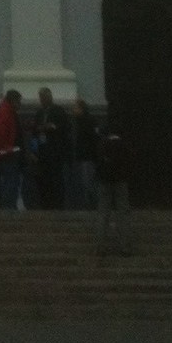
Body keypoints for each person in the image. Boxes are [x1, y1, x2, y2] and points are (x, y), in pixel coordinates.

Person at [96, 118, 132, 257]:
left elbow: (98, 162)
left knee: (103, 213)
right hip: (121, 181)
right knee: (123, 213)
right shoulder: (124, 144)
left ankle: (100, 246)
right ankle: (125, 246)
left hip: (105, 181)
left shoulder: (102, 144)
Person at [31, 87, 66, 210]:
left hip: (55, 152)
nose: (42, 100)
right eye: (40, 98)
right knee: (42, 180)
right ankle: (44, 205)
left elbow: (65, 129)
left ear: (50, 97)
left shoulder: (59, 111)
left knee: (56, 180)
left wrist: (53, 127)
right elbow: (34, 133)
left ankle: (57, 205)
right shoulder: (39, 113)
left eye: (44, 97)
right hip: (42, 153)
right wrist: (34, 151)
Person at [0, 90, 24, 211]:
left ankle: (7, 207)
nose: (20, 104)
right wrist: (9, 149)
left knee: (8, 182)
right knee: (10, 183)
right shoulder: (6, 113)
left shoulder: (6, 112)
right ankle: (8, 208)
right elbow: (2, 134)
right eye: (19, 101)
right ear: (13, 101)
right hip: (7, 154)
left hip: (5, 153)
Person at [64, 98, 99, 211]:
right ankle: (88, 204)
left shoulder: (84, 121)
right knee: (84, 181)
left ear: (81, 109)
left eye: (75, 107)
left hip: (85, 156)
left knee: (87, 182)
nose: (73, 110)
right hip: (80, 156)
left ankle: (91, 204)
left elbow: (92, 139)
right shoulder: (78, 121)